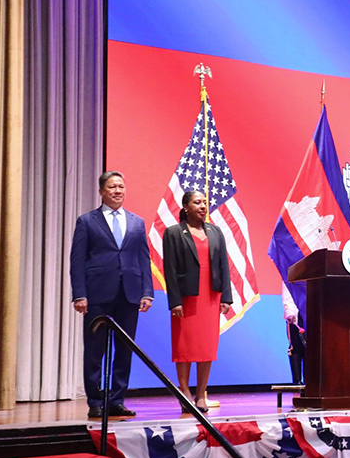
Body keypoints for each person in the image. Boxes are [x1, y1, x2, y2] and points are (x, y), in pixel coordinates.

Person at [70, 171, 153, 419]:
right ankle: (95, 401)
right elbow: (77, 261)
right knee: (95, 351)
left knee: (125, 350)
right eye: (112, 187)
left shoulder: (137, 222)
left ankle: (117, 400)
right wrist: (79, 294)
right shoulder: (87, 221)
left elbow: (143, 258)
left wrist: (147, 292)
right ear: (101, 192)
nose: (118, 191)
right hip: (97, 294)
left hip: (129, 294)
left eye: (121, 187)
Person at [162, 190, 232, 412]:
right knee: (184, 347)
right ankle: (184, 393)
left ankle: (201, 394)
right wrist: (175, 301)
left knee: (206, 347)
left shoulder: (215, 231)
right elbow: (170, 269)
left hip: (210, 296)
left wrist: (226, 297)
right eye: (197, 202)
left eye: (204, 202)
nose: (203, 206)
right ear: (185, 207)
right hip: (186, 297)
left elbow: (223, 265)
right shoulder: (174, 233)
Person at [281, 283, 305, 386]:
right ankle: (297, 382)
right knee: (295, 347)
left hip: (309, 312)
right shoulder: (289, 275)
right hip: (295, 315)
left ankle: (311, 382)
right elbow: (287, 293)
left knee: (310, 349)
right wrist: (289, 312)